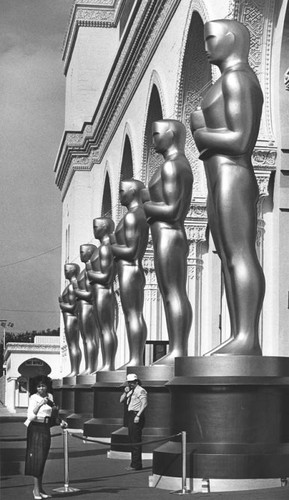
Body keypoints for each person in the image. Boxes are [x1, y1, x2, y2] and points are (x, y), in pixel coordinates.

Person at [190, 19, 265, 355]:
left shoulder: (239, 79)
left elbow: (241, 139)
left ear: (231, 39)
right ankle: (239, 335)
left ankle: (247, 335)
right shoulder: (226, 81)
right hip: (219, 176)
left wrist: (201, 134)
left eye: (211, 39)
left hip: (234, 174)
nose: (206, 47)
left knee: (240, 254)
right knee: (228, 258)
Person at [143, 119, 193, 364]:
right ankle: (177, 347)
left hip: (169, 235)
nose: (153, 140)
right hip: (164, 235)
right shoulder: (171, 165)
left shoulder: (174, 166)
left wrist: (145, 206)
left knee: (174, 292)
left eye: (156, 134)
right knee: (170, 293)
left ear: (170, 134)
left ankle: (179, 349)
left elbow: (173, 210)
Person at [111, 179, 149, 367]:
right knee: (131, 315)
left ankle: (136, 358)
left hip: (130, 270)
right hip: (128, 271)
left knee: (133, 314)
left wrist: (112, 248)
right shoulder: (135, 215)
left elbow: (132, 251)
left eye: (121, 191)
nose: (119, 195)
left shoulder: (133, 216)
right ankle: (134, 356)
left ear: (132, 192)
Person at [24, 375, 67, 499]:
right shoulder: (33, 398)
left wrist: (61, 422)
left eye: (43, 385)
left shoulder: (50, 397)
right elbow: (31, 417)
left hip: (45, 429)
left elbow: (53, 416)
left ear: (47, 386)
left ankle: (41, 489)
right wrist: (39, 405)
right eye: (38, 386)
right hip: (35, 429)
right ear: (35, 387)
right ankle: (35, 490)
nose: (41, 388)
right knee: (36, 459)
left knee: (42, 459)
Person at [86, 217, 118, 371]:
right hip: (98, 293)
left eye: (96, 226)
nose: (94, 229)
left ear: (104, 227)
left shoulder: (106, 248)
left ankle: (108, 363)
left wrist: (90, 274)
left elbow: (106, 277)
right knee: (101, 330)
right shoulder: (100, 249)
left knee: (106, 328)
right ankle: (105, 362)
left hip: (104, 292)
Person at [71, 244, 100, 374]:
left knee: (90, 338)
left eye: (83, 251)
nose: (81, 254)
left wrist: (77, 290)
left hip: (88, 306)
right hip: (82, 307)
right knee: (85, 340)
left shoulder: (90, 271)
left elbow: (89, 294)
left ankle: (91, 367)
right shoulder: (85, 272)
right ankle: (88, 366)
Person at [120, 373, 148, 470]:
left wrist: (138, 415)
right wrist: (125, 392)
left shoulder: (140, 390)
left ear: (136, 382)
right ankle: (134, 463)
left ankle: (136, 464)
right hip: (131, 415)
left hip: (136, 414)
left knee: (135, 440)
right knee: (132, 440)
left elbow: (144, 404)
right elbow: (121, 400)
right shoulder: (131, 391)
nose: (130, 384)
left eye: (132, 382)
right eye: (129, 383)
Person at [58, 263, 82, 376]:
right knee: (71, 345)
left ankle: (75, 370)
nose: (65, 272)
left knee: (73, 344)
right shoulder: (71, 285)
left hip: (71, 317)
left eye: (67, 270)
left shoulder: (73, 285)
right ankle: (74, 369)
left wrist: (62, 304)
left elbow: (73, 307)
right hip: (67, 318)